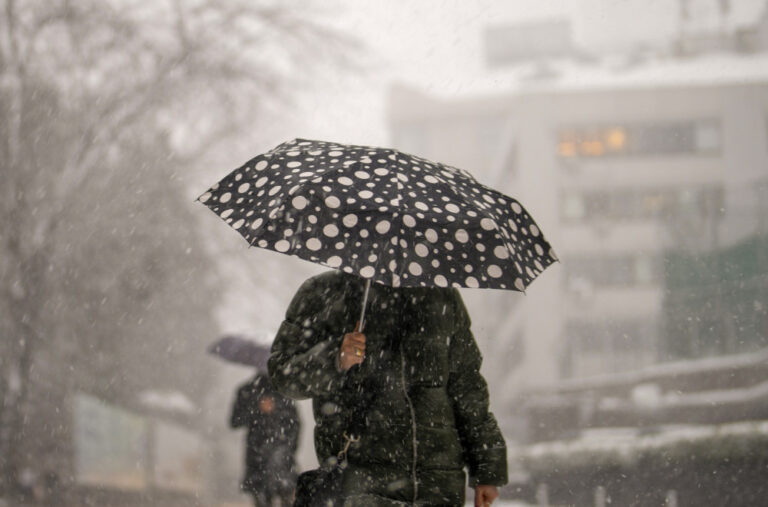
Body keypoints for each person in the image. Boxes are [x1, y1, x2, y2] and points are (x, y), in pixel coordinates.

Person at [268, 270, 507, 507]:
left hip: (438, 486)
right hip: (360, 484)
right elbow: (283, 374)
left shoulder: (442, 296)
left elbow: (468, 388)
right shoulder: (325, 292)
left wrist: (487, 470)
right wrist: (335, 357)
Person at [230, 372, 300, 507]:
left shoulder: (284, 391)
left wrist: (287, 449)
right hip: (257, 458)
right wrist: (257, 408)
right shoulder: (247, 390)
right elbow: (235, 421)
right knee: (263, 500)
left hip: (280, 459)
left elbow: (294, 425)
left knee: (285, 498)